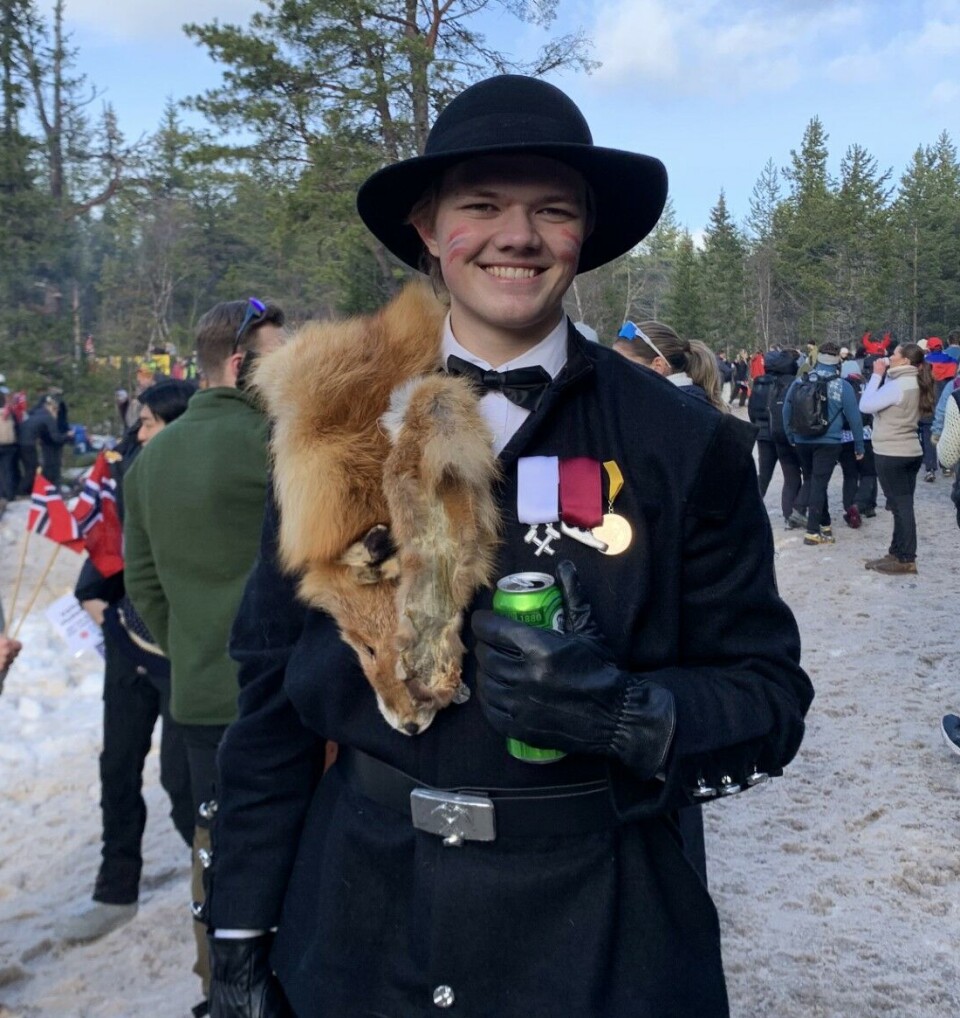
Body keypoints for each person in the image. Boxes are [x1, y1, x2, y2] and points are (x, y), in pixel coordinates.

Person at [203, 74, 813, 1018]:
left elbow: (770, 696)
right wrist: (239, 929)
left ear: (585, 234)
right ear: (427, 228)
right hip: (363, 930)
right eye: (482, 205)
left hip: (603, 939)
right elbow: (270, 692)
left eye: (552, 210)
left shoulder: (681, 441)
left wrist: (625, 714)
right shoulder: (339, 420)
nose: (516, 235)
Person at [124, 299, 285, 1013]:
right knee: (284, 869)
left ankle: (215, 993)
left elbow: (143, 585)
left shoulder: (150, 461)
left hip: (195, 700)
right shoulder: (280, 444)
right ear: (244, 364)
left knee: (212, 856)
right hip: (282, 700)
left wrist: (195, 642)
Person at [61, 380, 198, 944]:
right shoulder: (124, 474)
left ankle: (217, 883)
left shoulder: (199, 483)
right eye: (136, 422)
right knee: (117, 766)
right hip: (128, 647)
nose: (135, 434)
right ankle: (114, 889)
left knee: (180, 780)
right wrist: (99, 611)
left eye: (147, 423)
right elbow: (102, 561)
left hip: (184, 656)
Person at [858, 343, 933, 575]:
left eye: (895, 354)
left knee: (901, 506)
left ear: (906, 362)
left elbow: (866, 404)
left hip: (892, 451)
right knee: (902, 504)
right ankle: (897, 551)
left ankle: (906, 558)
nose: (890, 356)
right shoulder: (916, 383)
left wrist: (876, 376)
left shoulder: (899, 384)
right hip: (909, 449)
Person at [783, 341, 864, 546]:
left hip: (802, 439)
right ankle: (812, 532)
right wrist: (859, 447)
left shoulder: (800, 381)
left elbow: (786, 411)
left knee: (813, 480)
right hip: (829, 441)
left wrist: (791, 436)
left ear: (817, 358)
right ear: (838, 360)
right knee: (819, 483)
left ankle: (825, 523)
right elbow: (855, 419)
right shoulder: (842, 385)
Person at [614, 321, 726, 411]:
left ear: (658, 366)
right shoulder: (686, 404)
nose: (614, 374)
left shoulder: (668, 414)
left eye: (623, 367)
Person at [748, 349, 804, 528]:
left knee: (764, 474)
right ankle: (791, 514)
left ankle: (750, 509)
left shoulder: (758, 382)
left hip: (763, 433)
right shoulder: (783, 383)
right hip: (781, 432)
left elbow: (751, 410)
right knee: (792, 475)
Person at [17, 395, 72, 492]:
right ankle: (21, 490)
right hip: (31, 443)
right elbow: (56, 437)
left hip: (23, 441)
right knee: (34, 469)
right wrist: (68, 435)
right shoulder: (48, 417)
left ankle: (29, 488)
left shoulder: (36, 413)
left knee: (34, 467)